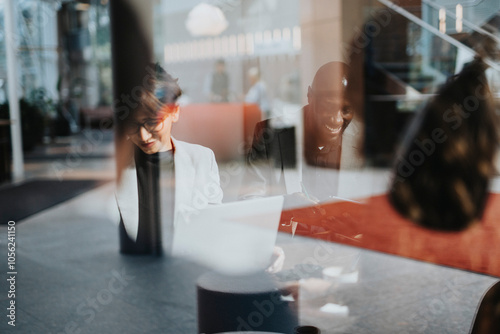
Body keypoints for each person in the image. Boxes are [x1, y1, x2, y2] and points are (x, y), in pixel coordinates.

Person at [116, 63, 223, 254]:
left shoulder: (202, 159)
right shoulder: (115, 170)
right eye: (132, 125)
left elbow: (214, 226)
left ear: (174, 112)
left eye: (151, 123)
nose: (143, 136)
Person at [241, 61, 356, 202]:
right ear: (310, 96)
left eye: (346, 110)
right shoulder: (269, 134)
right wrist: (287, 206)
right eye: (329, 108)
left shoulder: (365, 143)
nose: (337, 120)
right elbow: (249, 202)